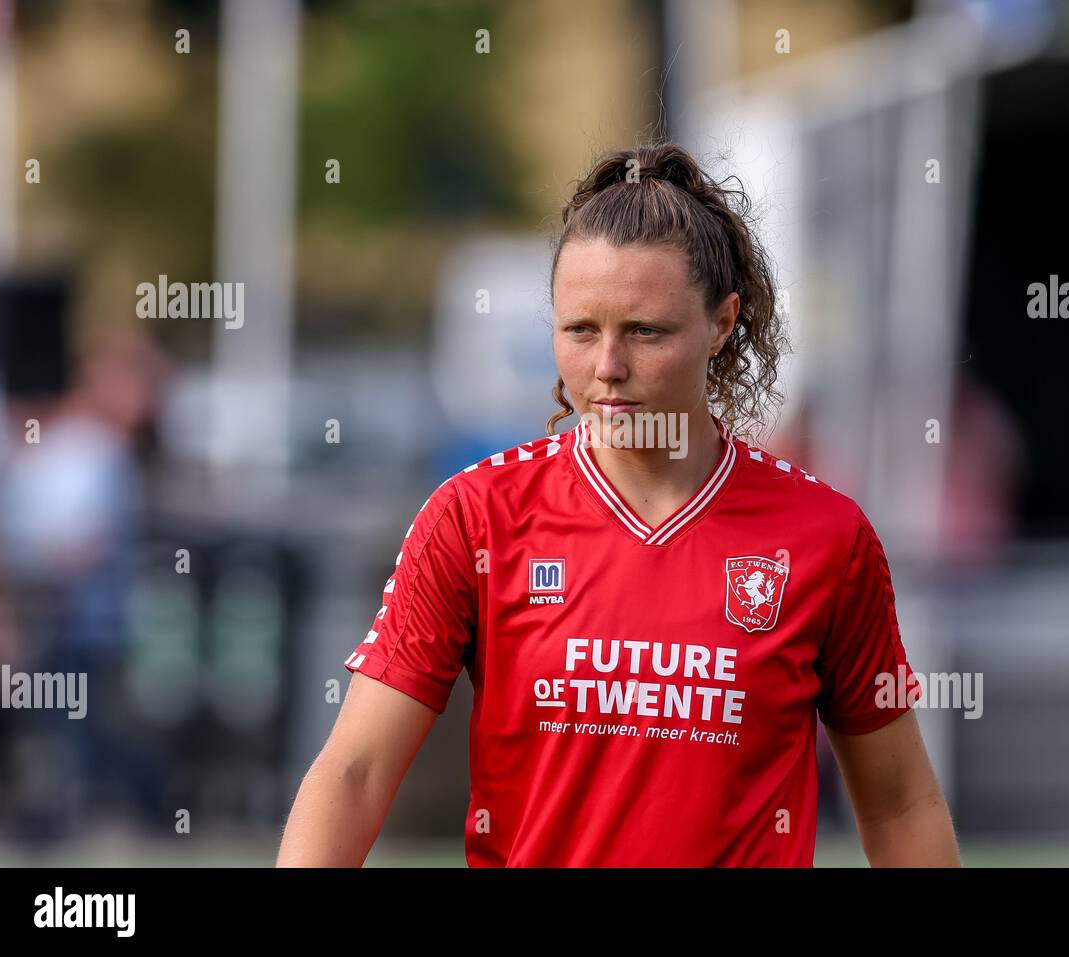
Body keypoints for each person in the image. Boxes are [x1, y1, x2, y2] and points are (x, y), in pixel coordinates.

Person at [277, 143, 960, 867]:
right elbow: (353, 776)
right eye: (580, 330)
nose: (606, 367)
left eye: (645, 331)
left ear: (722, 323)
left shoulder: (826, 537)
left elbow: (900, 803)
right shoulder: (475, 517)